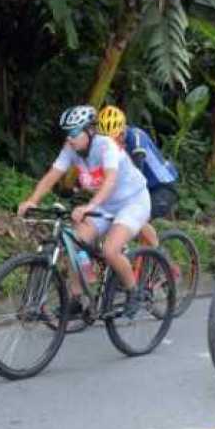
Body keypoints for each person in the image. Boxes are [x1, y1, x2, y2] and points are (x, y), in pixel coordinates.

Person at [17, 105, 151, 317]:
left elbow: (110, 181)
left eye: (74, 133)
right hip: (105, 205)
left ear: (89, 131)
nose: (69, 138)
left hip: (133, 201)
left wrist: (89, 206)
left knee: (110, 250)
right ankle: (78, 299)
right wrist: (31, 201)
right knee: (76, 243)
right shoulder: (71, 149)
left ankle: (133, 291)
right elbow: (53, 175)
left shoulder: (106, 146)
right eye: (66, 134)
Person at [97, 105, 179, 248]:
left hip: (162, 188)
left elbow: (137, 171)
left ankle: (162, 259)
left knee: (137, 219)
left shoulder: (136, 137)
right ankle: (140, 261)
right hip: (143, 189)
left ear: (123, 130)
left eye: (116, 137)